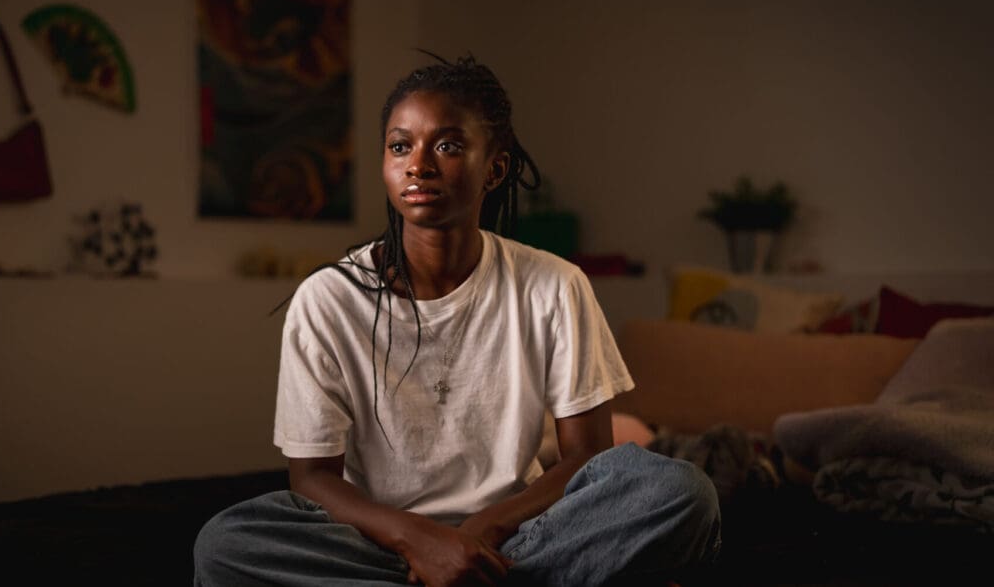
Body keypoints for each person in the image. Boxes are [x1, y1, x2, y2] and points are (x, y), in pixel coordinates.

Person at [194, 54, 720, 586]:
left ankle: (479, 574)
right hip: (378, 543)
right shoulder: (327, 299)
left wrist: (481, 533)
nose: (417, 165)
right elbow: (311, 478)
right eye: (400, 146)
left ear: (494, 167)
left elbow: (585, 456)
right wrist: (419, 541)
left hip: (521, 534)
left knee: (678, 493)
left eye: (446, 146)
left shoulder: (555, 286)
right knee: (226, 544)